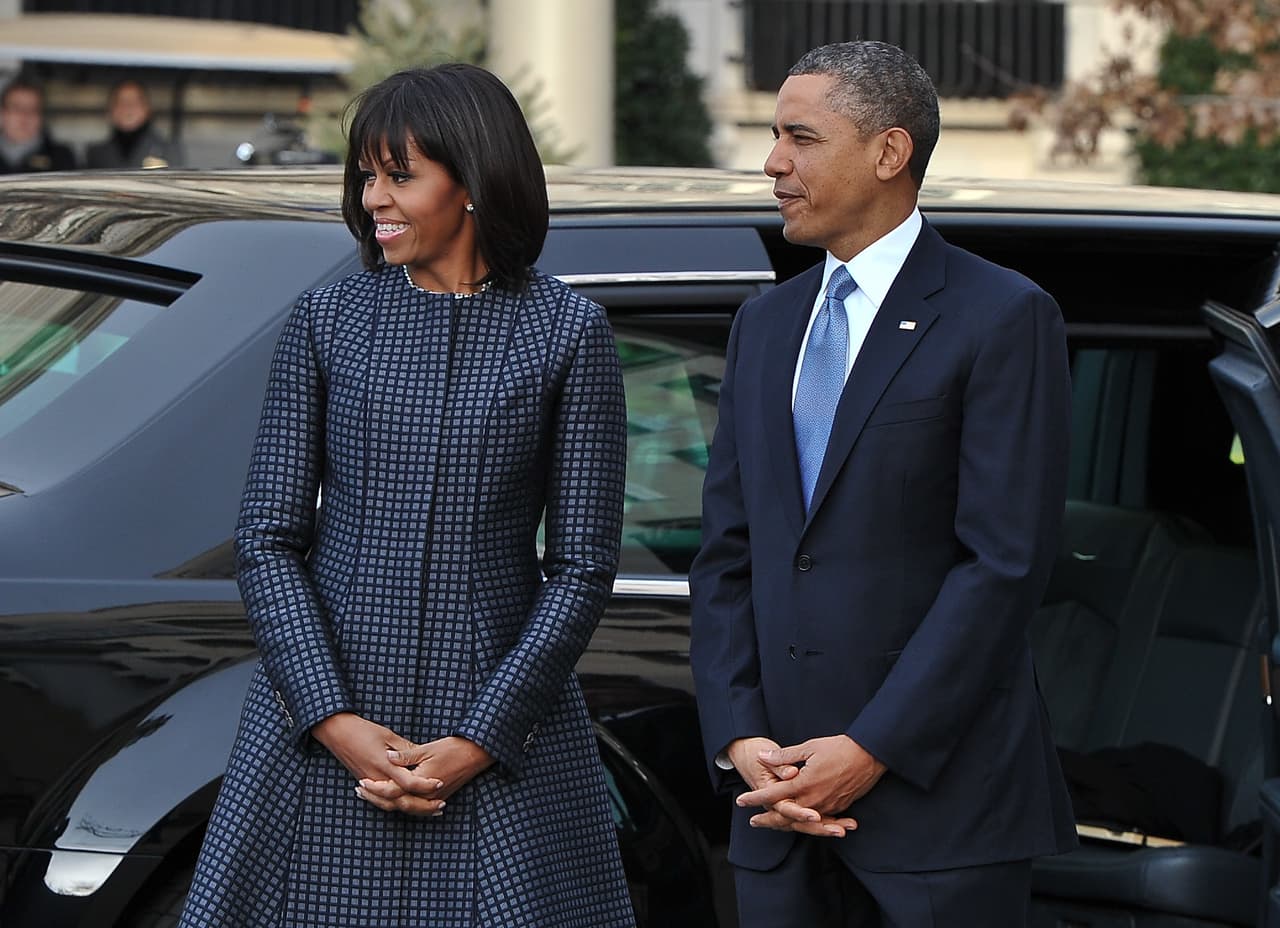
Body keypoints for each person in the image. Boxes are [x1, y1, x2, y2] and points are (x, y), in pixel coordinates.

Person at [178, 64, 636, 928]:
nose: (373, 197)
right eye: (366, 173)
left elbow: (581, 566)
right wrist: (331, 716)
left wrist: (481, 740)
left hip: (499, 736)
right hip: (324, 729)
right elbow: (268, 537)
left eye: (400, 174)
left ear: (473, 181)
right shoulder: (327, 319)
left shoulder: (569, 331)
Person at [689, 40, 1076, 927]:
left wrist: (870, 747)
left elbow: (1003, 564)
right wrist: (743, 739)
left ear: (889, 152)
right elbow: (728, 554)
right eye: (775, 137)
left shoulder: (1003, 315)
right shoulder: (765, 323)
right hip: (774, 810)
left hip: (941, 821)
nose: (773, 161)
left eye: (801, 137)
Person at [85, 79, 177, 169]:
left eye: (134, 102)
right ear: (110, 110)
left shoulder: (169, 150)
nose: (128, 108)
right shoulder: (96, 154)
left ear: (147, 109)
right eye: (120, 101)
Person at [0, 77, 76, 174]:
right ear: (2, 113)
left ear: (41, 116)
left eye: (33, 109)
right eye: (16, 107)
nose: (24, 115)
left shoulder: (62, 157)